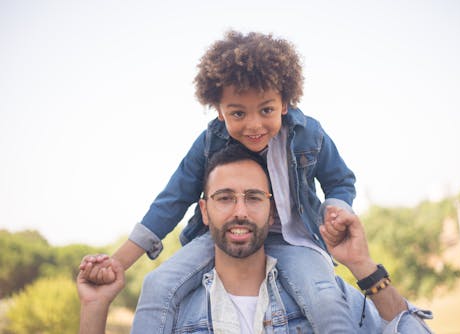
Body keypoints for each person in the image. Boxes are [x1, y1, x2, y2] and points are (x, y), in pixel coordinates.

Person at [80, 30, 357, 332]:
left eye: (266, 110)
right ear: (219, 111)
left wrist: (337, 208)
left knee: (326, 299)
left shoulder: (309, 134)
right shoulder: (210, 141)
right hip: (223, 237)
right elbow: (172, 199)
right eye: (238, 113)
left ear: (285, 103)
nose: (254, 125)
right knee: (157, 284)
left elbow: (339, 179)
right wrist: (118, 263)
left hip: (295, 240)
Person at [77, 144, 433, 333]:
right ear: (204, 211)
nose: (240, 211)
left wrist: (363, 266)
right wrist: (95, 309)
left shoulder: (328, 294)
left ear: (273, 210)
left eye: (253, 197)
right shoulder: (174, 310)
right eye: (224, 197)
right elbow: (166, 205)